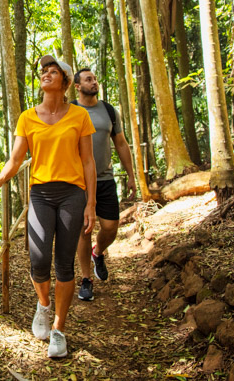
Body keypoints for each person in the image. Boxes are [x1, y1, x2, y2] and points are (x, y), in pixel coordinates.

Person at [0, 55, 97, 359]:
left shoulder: (79, 116)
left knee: (64, 263)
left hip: (73, 193)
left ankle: (59, 329)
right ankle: (43, 306)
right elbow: (16, 159)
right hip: (40, 194)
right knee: (38, 260)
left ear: (65, 82)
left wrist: (91, 204)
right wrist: (1, 178)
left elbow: (88, 161)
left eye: (53, 71)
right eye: (44, 71)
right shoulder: (27, 117)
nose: (46, 74)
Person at [72, 68, 137, 302]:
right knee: (84, 229)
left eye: (95, 78)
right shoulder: (70, 110)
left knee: (110, 228)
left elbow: (120, 143)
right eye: (88, 79)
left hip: (105, 179)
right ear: (77, 86)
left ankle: (98, 252)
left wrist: (131, 175)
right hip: (78, 182)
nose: (94, 82)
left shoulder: (109, 111)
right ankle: (86, 280)